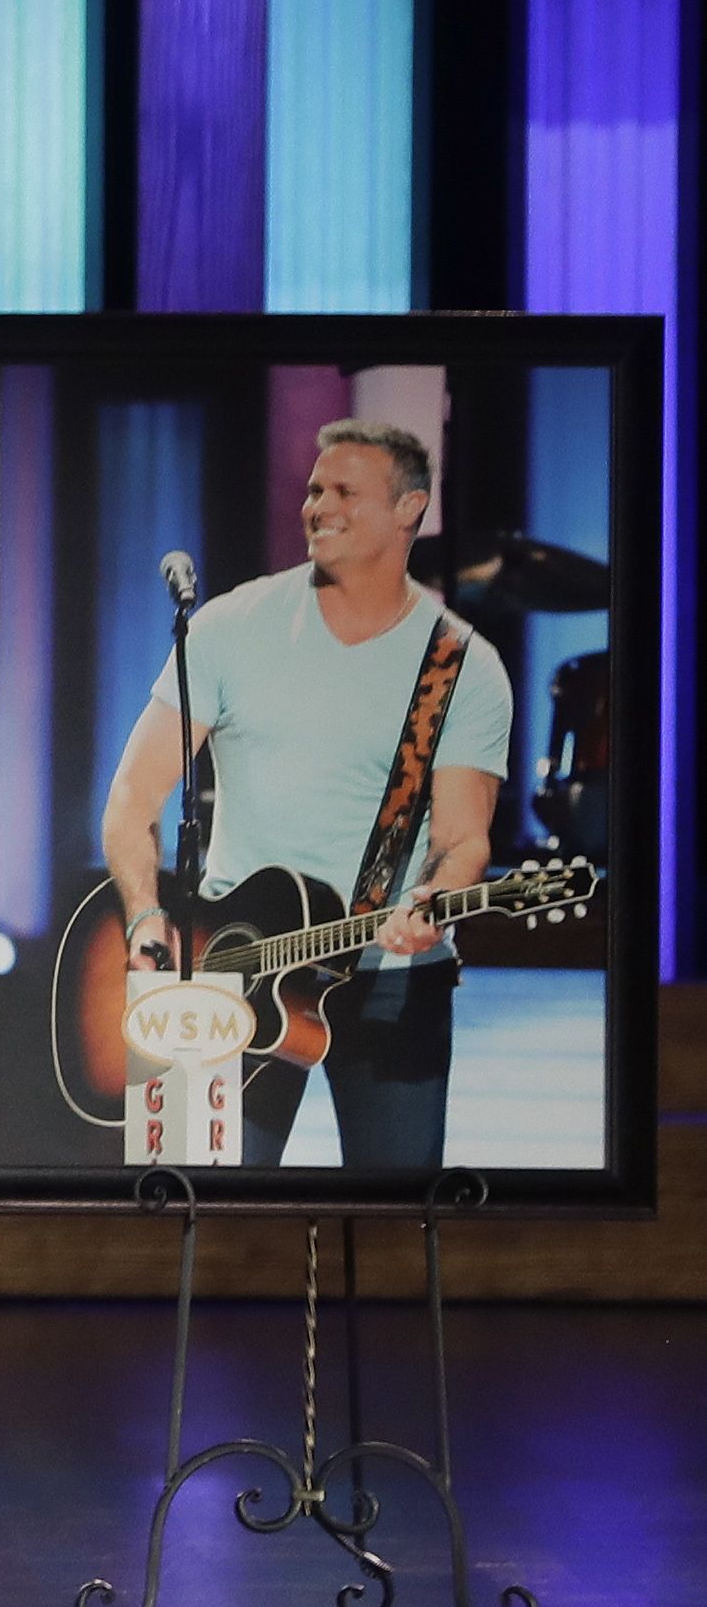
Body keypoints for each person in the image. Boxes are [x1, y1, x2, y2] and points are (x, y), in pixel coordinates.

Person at [95, 419, 511, 1171]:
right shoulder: (226, 626)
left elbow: (464, 838)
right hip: (225, 971)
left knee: (397, 1217)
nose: (318, 505)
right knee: (191, 1203)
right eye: (315, 489)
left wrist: (434, 899)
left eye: (345, 490)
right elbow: (131, 796)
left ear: (410, 508)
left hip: (390, 980)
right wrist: (147, 910)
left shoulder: (463, 666)